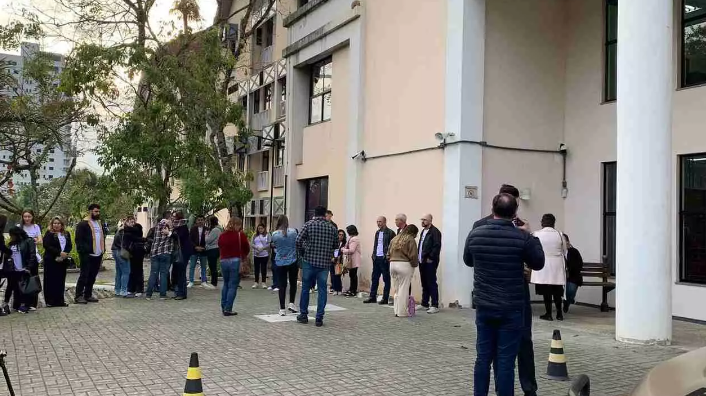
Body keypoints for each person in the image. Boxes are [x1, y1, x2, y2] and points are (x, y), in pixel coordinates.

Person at [464, 193, 545, 396]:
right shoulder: (522, 237)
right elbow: (538, 262)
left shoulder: (475, 234)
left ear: (493, 209)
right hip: (511, 307)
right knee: (506, 361)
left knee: (483, 358)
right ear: (515, 212)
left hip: (485, 306)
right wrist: (531, 234)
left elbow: (468, 260)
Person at [295, 205, 338, 327]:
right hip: (324, 263)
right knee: (322, 290)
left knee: (305, 289)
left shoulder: (308, 224)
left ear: (315, 213)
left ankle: (303, 315)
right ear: (325, 214)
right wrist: (330, 255)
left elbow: (298, 240)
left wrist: (303, 252)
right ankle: (319, 317)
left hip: (309, 261)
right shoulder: (332, 228)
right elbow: (336, 245)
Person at [531, 213, 567, 321]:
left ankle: (548, 313)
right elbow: (565, 250)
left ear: (542, 222)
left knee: (546, 290)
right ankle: (559, 314)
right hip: (557, 265)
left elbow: (533, 249)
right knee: (557, 290)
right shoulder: (560, 234)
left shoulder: (536, 234)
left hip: (543, 264)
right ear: (553, 223)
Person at [74, 204, 106, 304]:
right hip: (87, 255)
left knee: (92, 276)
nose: (98, 213)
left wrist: (102, 250)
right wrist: (84, 251)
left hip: (98, 254)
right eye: (96, 211)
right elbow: (78, 240)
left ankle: (88, 295)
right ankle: (78, 296)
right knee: (84, 275)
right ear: (90, 211)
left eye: (99, 211)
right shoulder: (83, 224)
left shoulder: (99, 223)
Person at [218, 217, 250, 316]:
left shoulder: (222, 235)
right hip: (235, 261)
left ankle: (223, 306)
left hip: (223, 261)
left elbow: (219, 245)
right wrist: (243, 257)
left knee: (226, 284)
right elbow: (246, 248)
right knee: (233, 285)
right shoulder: (240, 235)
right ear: (237, 225)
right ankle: (228, 308)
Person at [4, 226, 39, 314]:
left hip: (23, 268)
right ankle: (8, 304)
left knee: (24, 288)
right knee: (11, 287)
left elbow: (32, 255)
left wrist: (28, 267)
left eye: (12, 235)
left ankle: (25, 305)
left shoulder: (28, 241)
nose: (11, 237)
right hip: (13, 269)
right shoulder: (11, 243)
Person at [388, 224, 419, 317]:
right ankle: (402, 312)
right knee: (403, 289)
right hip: (404, 265)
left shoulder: (394, 239)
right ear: (413, 232)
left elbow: (388, 253)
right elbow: (413, 255)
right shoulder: (410, 239)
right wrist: (414, 264)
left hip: (392, 264)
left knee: (396, 289)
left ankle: (396, 310)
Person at [364, 216, 396, 305]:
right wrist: (373, 254)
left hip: (384, 259)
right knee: (374, 278)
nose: (378, 223)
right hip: (376, 258)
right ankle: (372, 297)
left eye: (380, 221)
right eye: (377, 221)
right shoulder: (377, 233)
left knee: (386, 279)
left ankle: (385, 298)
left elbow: (392, 246)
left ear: (385, 222)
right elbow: (376, 245)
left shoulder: (390, 233)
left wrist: (388, 257)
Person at [271, 215, 299, 316]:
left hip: (280, 261)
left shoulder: (274, 234)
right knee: (293, 283)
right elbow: (297, 243)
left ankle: (282, 309)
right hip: (292, 260)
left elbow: (273, 245)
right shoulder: (294, 232)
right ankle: (291, 303)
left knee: (282, 285)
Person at [42, 217, 72, 307]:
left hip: (62, 260)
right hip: (51, 260)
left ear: (62, 224)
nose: (56, 225)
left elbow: (69, 245)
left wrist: (65, 253)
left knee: (60, 281)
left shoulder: (66, 233)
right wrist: (59, 253)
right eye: (54, 223)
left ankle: (60, 301)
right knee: (50, 281)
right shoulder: (49, 234)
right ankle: (50, 301)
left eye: (58, 223)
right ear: (52, 224)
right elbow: (47, 245)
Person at [146, 219, 176, 300]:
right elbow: (173, 236)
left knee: (153, 273)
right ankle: (162, 295)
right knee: (163, 274)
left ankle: (148, 295)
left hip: (154, 253)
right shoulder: (169, 229)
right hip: (165, 253)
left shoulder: (156, 228)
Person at [418, 213, 442, 314]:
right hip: (421, 260)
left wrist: (430, 257)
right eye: (422, 220)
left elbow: (437, 246)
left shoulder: (435, 232)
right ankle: (424, 303)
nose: (423, 221)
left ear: (430, 221)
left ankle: (434, 304)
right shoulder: (423, 231)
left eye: (425, 220)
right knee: (424, 282)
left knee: (431, 282)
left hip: (430, 261)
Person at [20, 209, 42, 310]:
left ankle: (33, 303)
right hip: (22, 257)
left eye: (29, 216)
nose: (27, 219)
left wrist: (31, 241)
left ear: (32, 217)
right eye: (25, 216)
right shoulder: (19, 227)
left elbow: (40, 240)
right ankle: (22, 302)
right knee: (22, 279)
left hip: (33, 256)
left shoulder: (36, 227)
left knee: (33, 278)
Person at [188, 215, 213, 289]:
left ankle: (204, 281)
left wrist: (203, 247)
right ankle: (191, 281)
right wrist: (195, 247)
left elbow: (208, 240)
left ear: (204, 221)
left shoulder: (207, 229)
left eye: (202, 220)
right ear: (196, 221)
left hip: (203, 250)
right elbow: (190, 239)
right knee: (192, 266)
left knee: (203, 266)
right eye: (199, 220)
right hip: (194, 250)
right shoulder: (193, 229)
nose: (200, 221)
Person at [172, 211, 192, 300]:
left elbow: (179, 237)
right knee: (177, 272)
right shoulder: (177, 226)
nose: (172, 218)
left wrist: (170, 233)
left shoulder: (182, 226)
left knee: (181, 272)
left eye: (174, 217)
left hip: (183, 252)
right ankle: (179, 291)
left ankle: (182, 293)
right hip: (179, 252)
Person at [124, 216, 146, 297]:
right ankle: (131, 289)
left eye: (133, 221)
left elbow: (136, 233)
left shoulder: (137, 227)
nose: (132, 223)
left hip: (138, 251)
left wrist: (129, 227)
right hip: (131, 251)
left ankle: (139, 289)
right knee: (131, 270)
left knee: (138, 270)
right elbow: (129, 235)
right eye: (130, 221)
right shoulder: (127, 229)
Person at [563, 233, 584, 314]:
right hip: (560, 276)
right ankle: (565, 301)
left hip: (572, 276)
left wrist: (569, 268)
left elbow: (579, 264)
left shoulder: (574, 251)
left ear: (568, 241)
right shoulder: (558, 251)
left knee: (571, 290)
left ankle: (567, 302)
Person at [111, 219, 131, 297]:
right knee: (126, 271)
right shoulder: (124, 231)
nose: (133, 224)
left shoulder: (120, 230)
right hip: (121, 252)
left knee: (119, 272)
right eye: (131, 221)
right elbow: (124, 243)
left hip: (116, 251)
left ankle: (117, 290)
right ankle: (124, 291)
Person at [341, 225, 360, 297]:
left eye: (348, 230)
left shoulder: (354, 239)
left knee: (353, 275)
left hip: (354, 260)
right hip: (351, 259)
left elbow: (351, 250)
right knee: (351, 275)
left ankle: (353, 290)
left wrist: (343, 250)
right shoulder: (351, 238)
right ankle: (351, 289)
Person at [204, 216, 222, 287]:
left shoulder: (215, 230)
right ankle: (213, 282)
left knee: (212, 266)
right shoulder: (219, 229)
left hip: (213, 249)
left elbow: (208, 240)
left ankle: (214, 283)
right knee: (213, 266)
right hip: (215, 249)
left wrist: (206, 235)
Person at [251, 224, 271, 289]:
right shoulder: (254, 235)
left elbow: (269, 244)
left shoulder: (267, 235)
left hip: (264, 254)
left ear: (264, 228)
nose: (260, 230)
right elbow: (251, 243)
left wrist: (262, 248)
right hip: (256, 254)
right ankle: (256, 282)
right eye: (259, 228)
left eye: (261, 228)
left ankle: (263, 282)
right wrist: (256, 248)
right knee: (256, 269)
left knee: (263, 269)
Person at [330, 229, 346, 295]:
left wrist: (337, 258)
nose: (341, 236)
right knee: (333, 275)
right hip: (332, 260)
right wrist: (332, 257)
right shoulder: (334, 242)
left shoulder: (344, 243)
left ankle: (339, 289)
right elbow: (331, 250)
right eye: (339, 234)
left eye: (342, 235)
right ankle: (334, 288)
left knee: (338, 275)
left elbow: (343, 252)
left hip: (340, 261)